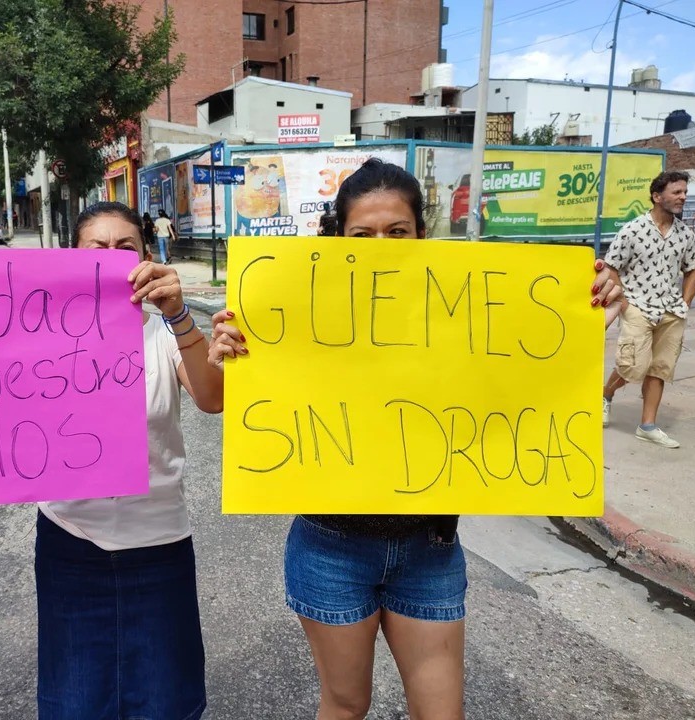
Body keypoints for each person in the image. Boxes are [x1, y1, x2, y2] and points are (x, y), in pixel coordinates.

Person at [208, 158, 621, 720]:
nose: (381, 246)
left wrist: (588, 305)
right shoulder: (296, 311)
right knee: (346, 704)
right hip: (331, 549)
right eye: (363, 234)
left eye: (397, 232)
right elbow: (237, 395)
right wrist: (235, 349)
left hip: (431, 548)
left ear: (421, 235)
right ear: (338, 238)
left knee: (441, 712)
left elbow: (527, 373)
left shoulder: (459, 309)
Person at [35, 201, 231, 720]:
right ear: (70, 256)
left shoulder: (165, 328)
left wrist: (179, 314)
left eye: (125, 246)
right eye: (96, 247)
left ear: (146, 256)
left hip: (160, 542)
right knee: (75, 701)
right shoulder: (35, 328)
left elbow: (213, 398)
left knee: (167, 700)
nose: (111, 256)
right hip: (70, 539)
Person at [601, 170, 695, 448]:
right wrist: (625, 302)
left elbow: (693, 271)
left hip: (671, 311)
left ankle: (647, 425)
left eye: (684, 192)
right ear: (657, 197)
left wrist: (685, 303)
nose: (683, 197)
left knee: (660, 368)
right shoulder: (632, 230)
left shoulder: (686, 235)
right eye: (677, 192)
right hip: (638, 307)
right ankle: (605, 394)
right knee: (634, 364)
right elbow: (611, 268)